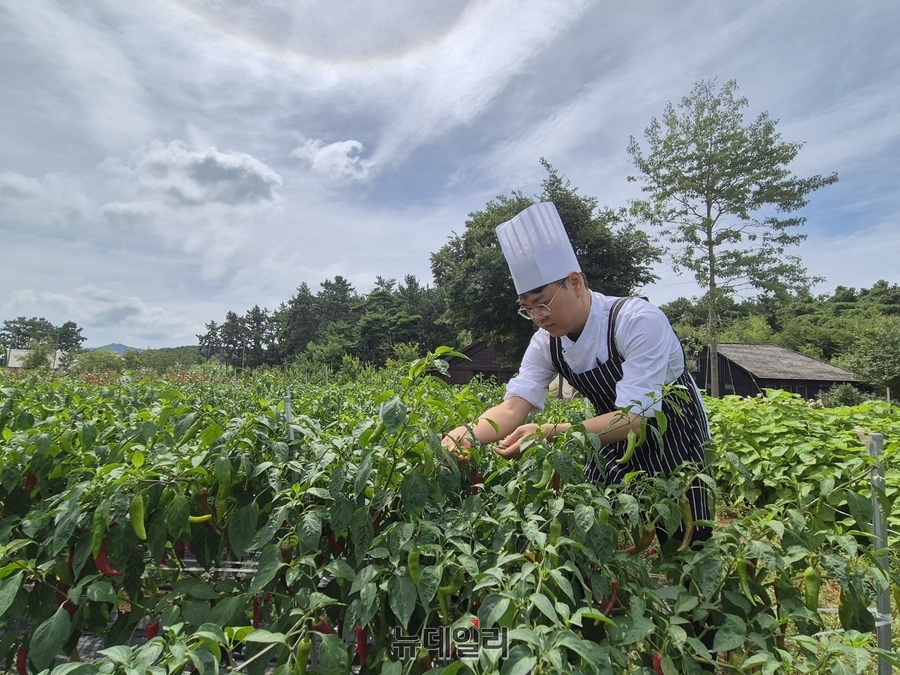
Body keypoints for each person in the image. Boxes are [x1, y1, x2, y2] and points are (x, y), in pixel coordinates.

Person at [441, 201, 716, 667]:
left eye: (543, 303)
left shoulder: (636, 320)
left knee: (688, 550)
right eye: (528, 309)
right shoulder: (547, 342)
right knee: (591, 535)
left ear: (575, 281)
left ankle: (698, 652)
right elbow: (515, 406)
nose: (538, 316)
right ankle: (599, 641)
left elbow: (635, 418)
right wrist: (466, 434)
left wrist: (551, 433)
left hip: (674, 438)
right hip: (600, 436)